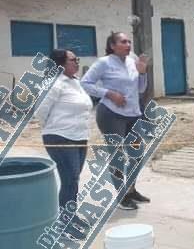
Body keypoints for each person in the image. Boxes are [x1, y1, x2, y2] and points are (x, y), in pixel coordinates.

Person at [81, 32, 149, 210]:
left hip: (133, 114)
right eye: (123, 41)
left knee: (137, 154)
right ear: (112, 45)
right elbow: (85, 83)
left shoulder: (132, 60)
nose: (128, 44)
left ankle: (131, 189)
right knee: (117, 156)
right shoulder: (104, 63)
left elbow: (141, 89)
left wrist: (142, 73)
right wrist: (109, 93)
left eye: (129, 41)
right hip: (110, 114)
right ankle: (121, 196)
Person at [35, 49, 93, 208]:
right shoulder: (54, 83)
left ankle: (69, 215)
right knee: (70, 179)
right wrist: (55, 126)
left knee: (73, 179)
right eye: (73, 60)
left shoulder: (75, 81)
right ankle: (66, 221)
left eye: (77, 59)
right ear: (60, 64)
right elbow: (40, 111)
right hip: (60, 138)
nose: (77, 63)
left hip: (79, 137)